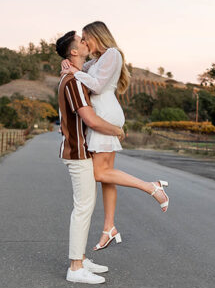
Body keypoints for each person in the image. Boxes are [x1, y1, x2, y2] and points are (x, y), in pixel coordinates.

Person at [62, 21, 170, 251]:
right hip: (104, 112)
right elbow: (82, 68)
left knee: (100, 172)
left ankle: (152, 187)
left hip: (105, 113)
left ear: (96, 35)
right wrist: (71, 66)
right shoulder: (97, 60)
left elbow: (98, 86)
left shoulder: (112, 54)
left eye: (85, 37)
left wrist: (75, 72)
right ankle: (109, 227)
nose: (84, 41)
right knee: (107, 175)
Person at [56, 30, 123, 284]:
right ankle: (75, 268)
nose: (86, 43)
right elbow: (90, 119)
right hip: (77, 151)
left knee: (86, 206)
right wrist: (117, 130)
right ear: (74, 51)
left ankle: (81, 259)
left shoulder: (75, 76)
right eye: (81, 42)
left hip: (80, 150)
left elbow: (102, 62)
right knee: (83, 208)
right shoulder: (72, 82)